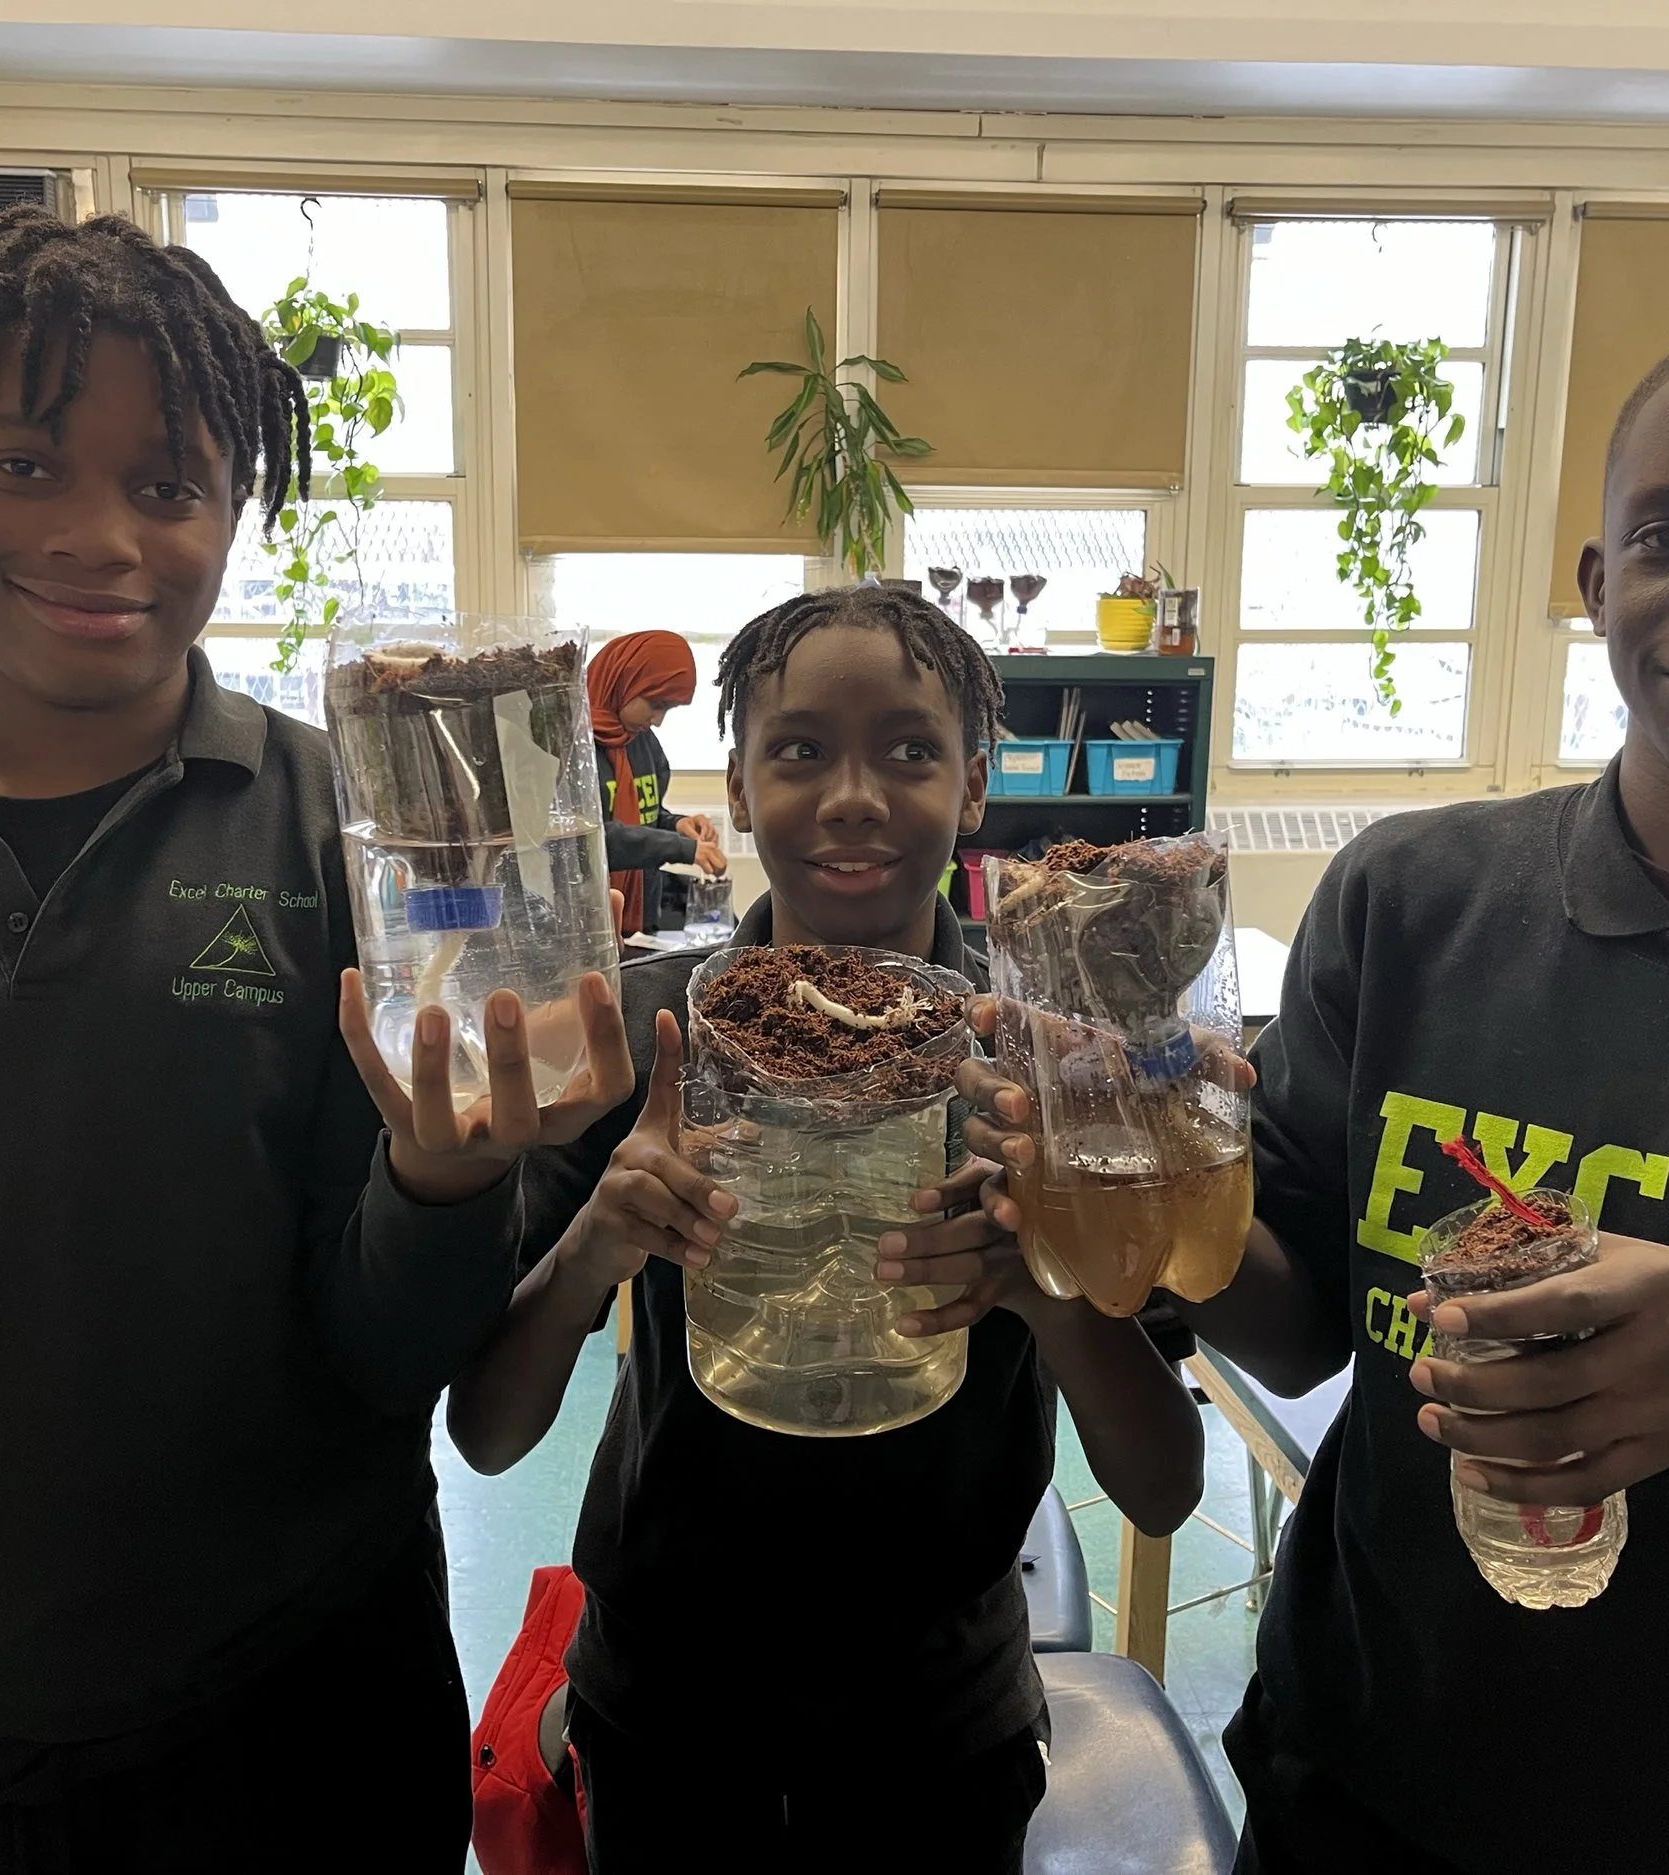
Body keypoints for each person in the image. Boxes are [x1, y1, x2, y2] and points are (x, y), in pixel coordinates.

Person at [961, 299, 1669, 1874]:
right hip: (1357, 1790)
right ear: (1600, 582)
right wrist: (1156, 1172)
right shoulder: (1415, 900)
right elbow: (1296, 1312)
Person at [0, 207, 631, 1875]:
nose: (99, 536)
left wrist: (446, 1181)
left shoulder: (361, 848)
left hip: (304, 1716)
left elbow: (391, 1368)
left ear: (233, 510)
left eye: (167, 486)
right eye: (25, 464)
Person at [446, 585, 1206, 1874]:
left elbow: (1162, 1483)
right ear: (733, 788)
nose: (853, 795)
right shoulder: (642, 1040)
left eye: (909, 750)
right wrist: (597, 1247)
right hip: (665, 1708)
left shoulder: (1053, 1071)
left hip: (939, 1723)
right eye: (797, 750)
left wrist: (1044, 1288)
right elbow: (489, 1430)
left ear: (973, 786)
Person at [587, 628, 726, 938]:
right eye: (656, 704)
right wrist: (681, 847)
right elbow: (592, 839)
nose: (658, 720)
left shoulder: (642, 742)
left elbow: (642, 815)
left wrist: (677, 825)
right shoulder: (572, 748)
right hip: (588, 919)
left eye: (668, 709)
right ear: (624, 683)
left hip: (640, 911)